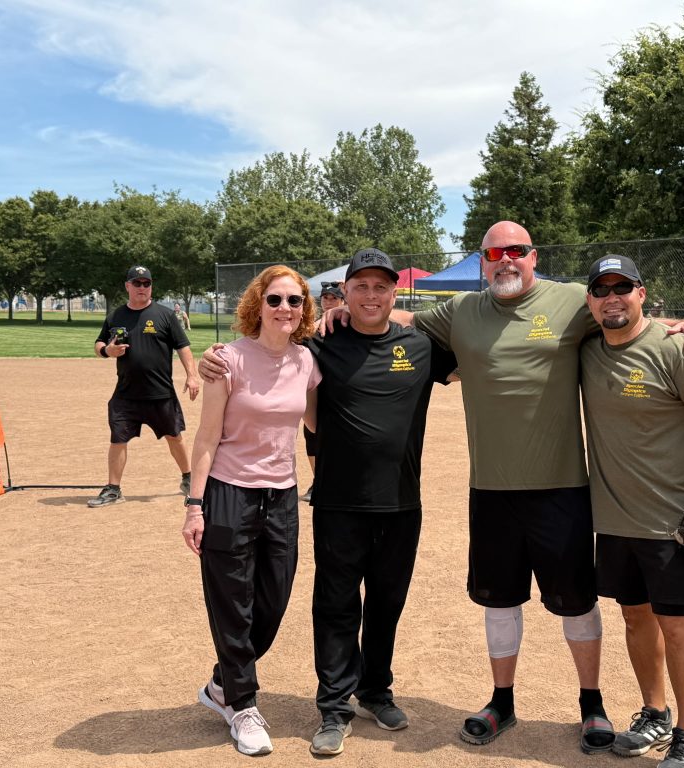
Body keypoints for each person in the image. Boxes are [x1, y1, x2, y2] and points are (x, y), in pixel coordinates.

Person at [322, 221, 684, 754]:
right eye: (494, 253)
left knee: (576, 604)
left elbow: (622, 311)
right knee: (499, 601)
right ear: (482, 261)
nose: (506, 260)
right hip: (491, 489)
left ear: (533, 256)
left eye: (517, 251)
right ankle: (501, 701)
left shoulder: (573, 300)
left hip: (563, 488)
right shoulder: (462, 311)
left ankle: (591, 704)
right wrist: (348, 310)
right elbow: (399, 315)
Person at [201, 249, 457, 758]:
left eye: (381, 287)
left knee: (388, 603)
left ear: (393, 293)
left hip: (402, 503)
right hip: (339, 503)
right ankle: (335, 707)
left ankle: (376, 690)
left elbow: (486, 365)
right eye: (360, 286)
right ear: (344, 294)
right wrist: (215, 356)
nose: (371, 296)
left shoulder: (422, 346)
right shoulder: (321, 345)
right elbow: (269, 353)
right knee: (337, 606)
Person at [579, 254, 684, 767]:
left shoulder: (676, 346)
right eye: (601, 289)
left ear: (642, 293)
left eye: (622, 287)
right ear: (589, 300)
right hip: (616, 521)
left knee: (678, 626)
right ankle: (655, 714)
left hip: (674, 522)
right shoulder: (586, 347)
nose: (612, 297)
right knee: (634, 619)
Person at [181, 265, 320, 756]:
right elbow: (205, 437)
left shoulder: (306, 361)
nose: (286, 309)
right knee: (232, 603)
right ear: (258, 305)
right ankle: (241, 704)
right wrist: (194, 506)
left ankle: (221, 684)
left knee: (273, 602)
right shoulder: (228, 360)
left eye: (295, 301)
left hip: (282, 496)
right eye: (276, 300)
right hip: (229, 492)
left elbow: (317, 421)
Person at [88, 266, 201, 507]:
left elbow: (183, 347)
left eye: (146, 283)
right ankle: (113, 489)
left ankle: (189, 478)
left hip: (160, 392)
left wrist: (192, 375)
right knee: (118, 439)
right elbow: (98, 344)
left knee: (174, 436)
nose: (142, 287)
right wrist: (108, 351)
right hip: (126, 393)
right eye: (137, 283)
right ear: (127, 286)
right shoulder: (116, 315)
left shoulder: (165, 315)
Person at [301, 281, 346, 503]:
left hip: (336, 390)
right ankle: (318, 479)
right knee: (311, 437)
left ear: (342, 300)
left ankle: (333, 479)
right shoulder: (310, 329)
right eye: (326, 297)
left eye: (334, 298)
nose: (329, 301)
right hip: (314, 390)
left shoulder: (347, 326)